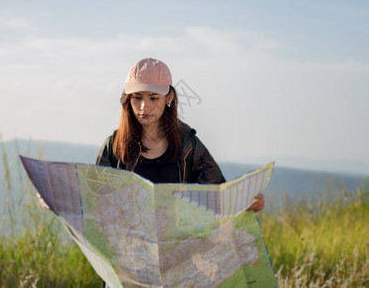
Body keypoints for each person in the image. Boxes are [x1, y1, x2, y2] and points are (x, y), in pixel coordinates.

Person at [37, 57, 264, 211]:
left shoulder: (188, 145)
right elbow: (96, 199)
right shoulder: (114, 146)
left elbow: (217, 196)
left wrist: (245, 202)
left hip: (176, 257)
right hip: (126, 259)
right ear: (128, 100)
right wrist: (58, 200)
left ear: (169, 99)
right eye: (137, 98)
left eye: (153, 98)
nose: (144, 107)